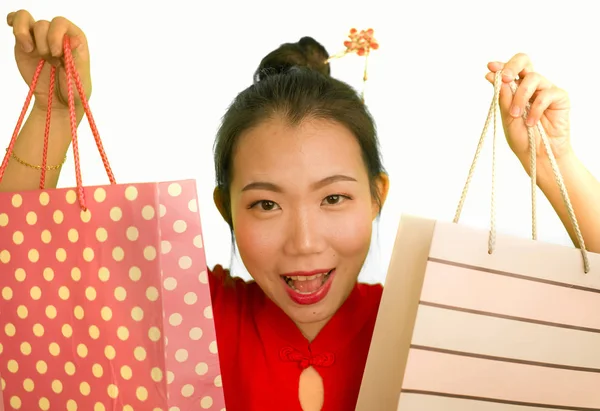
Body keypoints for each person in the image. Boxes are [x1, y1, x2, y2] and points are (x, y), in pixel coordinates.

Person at [3, 10, 600, 411]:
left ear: (377, 196)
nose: (305, 242)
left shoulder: (431, 323)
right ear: (225, 209)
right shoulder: (187, 316)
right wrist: (52, 120)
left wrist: (555, 163)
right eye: (265, 204)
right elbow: (20, 287)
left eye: (334, 197)